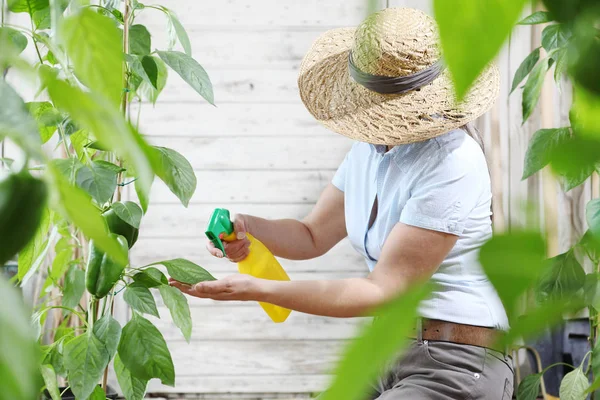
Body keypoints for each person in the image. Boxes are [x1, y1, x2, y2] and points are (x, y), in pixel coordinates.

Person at [169, 7, 514, 400]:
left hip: (458, 359)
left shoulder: (453, 161)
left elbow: (382, 290)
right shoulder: (368, 150)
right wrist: (248, 225)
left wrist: (261, 289)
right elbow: (311, 235)